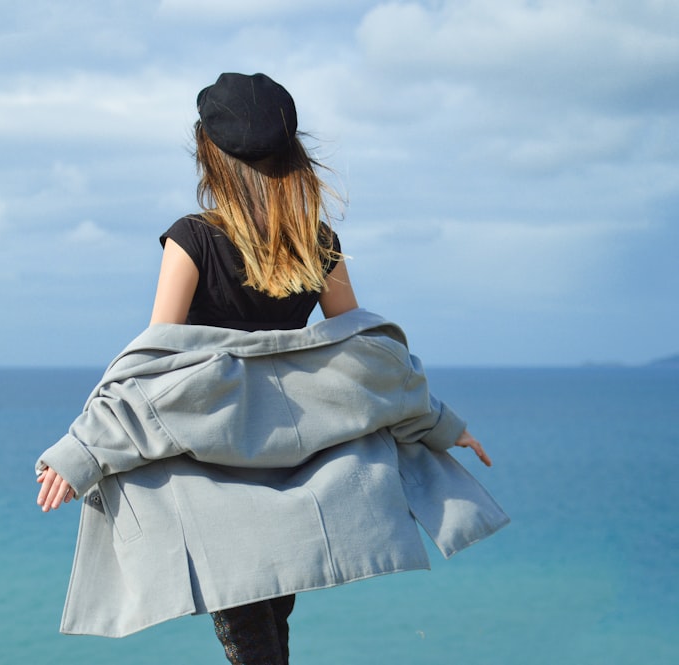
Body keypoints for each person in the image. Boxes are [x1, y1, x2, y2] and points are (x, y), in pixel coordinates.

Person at [36, 73, 496, 664]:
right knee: (270, 639)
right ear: (293, 153)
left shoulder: (192, 239)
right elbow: (369, 363)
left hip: (211, 475)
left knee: (256, 648)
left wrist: (83, 450)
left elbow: (151, 370)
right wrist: (436, 422)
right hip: (293, 471)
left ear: (210, 153)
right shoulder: (317, 242)